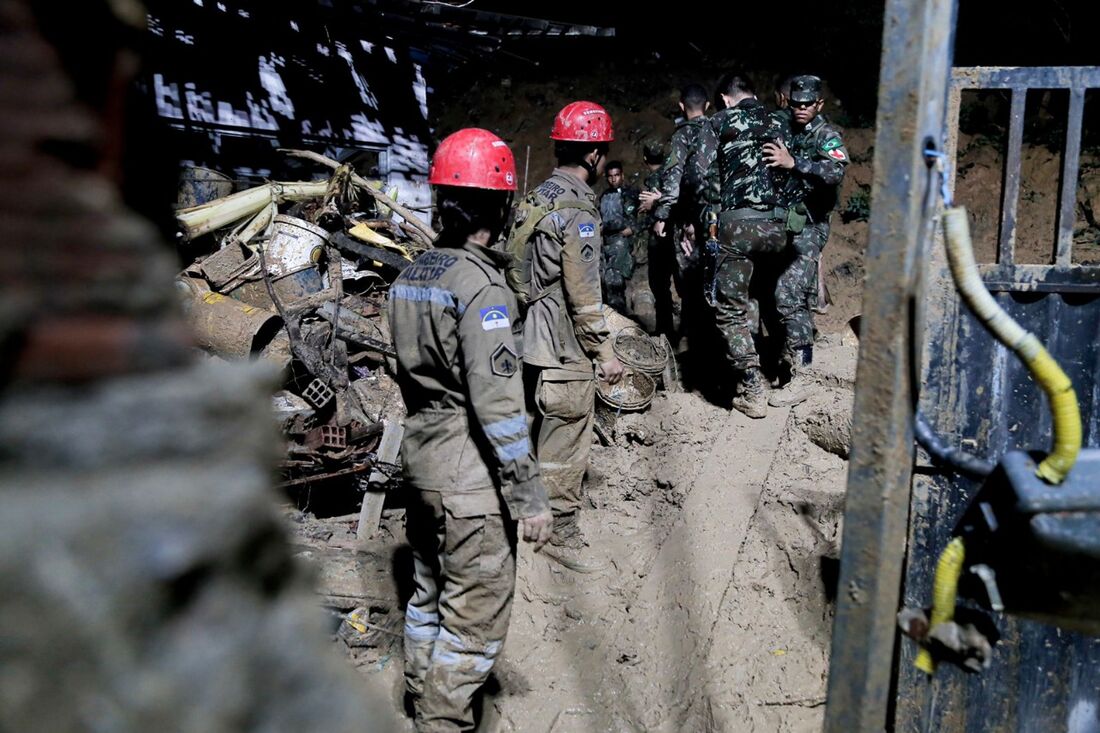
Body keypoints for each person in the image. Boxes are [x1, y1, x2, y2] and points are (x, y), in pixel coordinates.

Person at [389, 128, 553, 732]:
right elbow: (499, 405)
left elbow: (401, 369)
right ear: (501, 205)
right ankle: (442, 723)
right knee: (474, 620)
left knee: (426, 594)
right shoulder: (482, 287)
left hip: (421, 464)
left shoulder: (411, 275)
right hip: (469, 483)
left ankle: (417, 696)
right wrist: (529, 495)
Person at [521, 101, 625, 568]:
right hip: (561, 341)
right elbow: (583, 292)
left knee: (532, 427)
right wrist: (603, 351)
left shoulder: (537, 196)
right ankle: (559, 531)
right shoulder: (578, 210)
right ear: (594, 156)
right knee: (566, 435)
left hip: (527, 336)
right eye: (602, 152)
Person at [704, 70, 789, 418]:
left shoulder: (719, 121)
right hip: (779, 227)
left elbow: (701, 174)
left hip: (738, 227)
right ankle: (790, 366)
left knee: (730, 307)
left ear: (725, 98)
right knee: (773, 294)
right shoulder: (779, 118)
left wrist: (713, 210)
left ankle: (752, 386)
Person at [763, 74, 849, 406]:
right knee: (782, 292)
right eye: (796, 103)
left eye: (807, 104)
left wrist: (795, 163)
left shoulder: (826, 135)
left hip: (810, 226)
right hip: (784, 223)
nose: (800, 109)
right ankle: (799, 348)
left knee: (787, 293)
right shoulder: (786, 127)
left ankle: (806, 373)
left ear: (819, 105)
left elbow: (835, 172)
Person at [645, 82, 719, 377]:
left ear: (681, 107)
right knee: (718, 282)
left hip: (694, 222)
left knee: (691, 284)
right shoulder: (718, 129)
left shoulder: (682, 136)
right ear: (708, 106)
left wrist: (663, 214)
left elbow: (674, 181)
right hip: (725, 218)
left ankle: (695, 349)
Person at [597, 160, 639, 313]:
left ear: (622, 175)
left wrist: (633, 229)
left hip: (621, 242)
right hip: (606, 243)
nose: (613, 179)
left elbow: (641, 216)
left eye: (616, 175)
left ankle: (620, 318)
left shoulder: (631, 193)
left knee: (615, 282)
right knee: (606, 282)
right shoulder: (604, 196)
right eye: (610, 176)